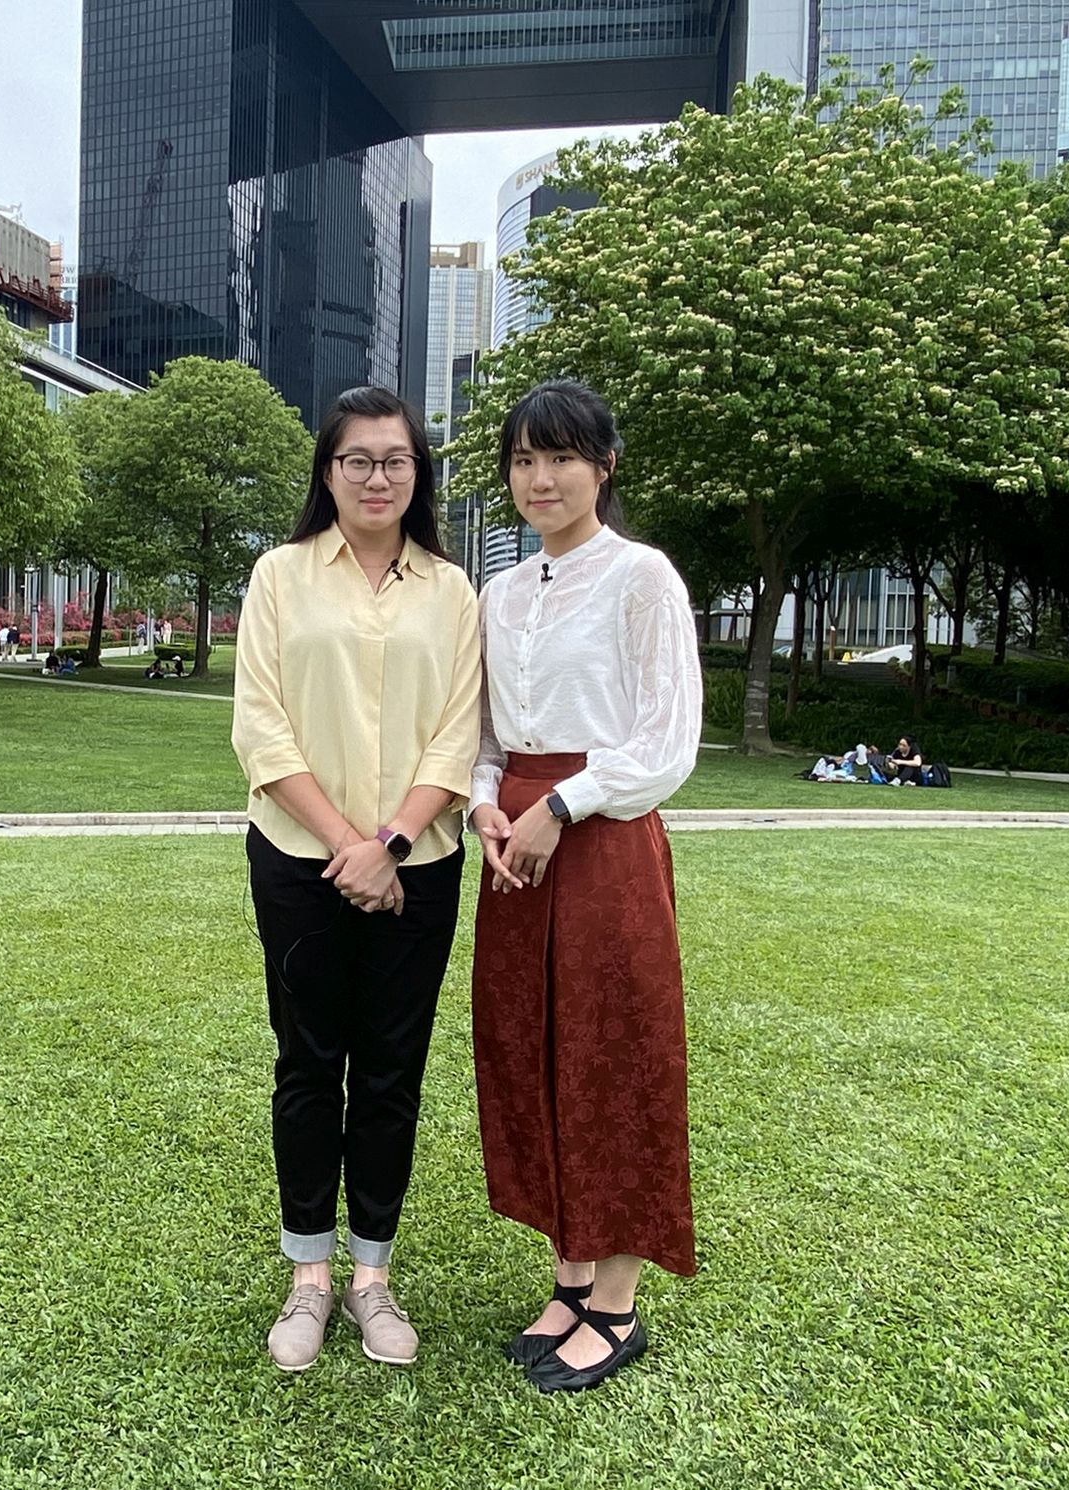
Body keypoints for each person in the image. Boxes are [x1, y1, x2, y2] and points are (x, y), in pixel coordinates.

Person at [232, 385, 481, 1374]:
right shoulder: (280, 576)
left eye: (394, 459)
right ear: (326, 472)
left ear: (417, 475)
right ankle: (307, 1277)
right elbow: (259, 724)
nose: (376, 476)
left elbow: (456, 731)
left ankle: (371, 1275)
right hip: (299, 860)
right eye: (356, 459)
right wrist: (348, 842)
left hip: (419, 865)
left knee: (388, 1071)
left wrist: (392, 841)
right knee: (306, 1063)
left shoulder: (452, 591)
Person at [469, 380, 703, 1395]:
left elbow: (663, 740)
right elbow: (483, 734)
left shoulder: (641, 577)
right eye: (522, 459)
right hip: (511, 845)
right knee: (527, 1047)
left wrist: (555, 808)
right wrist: (485, 802)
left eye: (560, 456)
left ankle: (614, 1300)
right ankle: (566, 1278)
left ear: (603, 465)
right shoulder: (500, 592)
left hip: (599, 836)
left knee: (612, 1048)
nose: (539, 477)